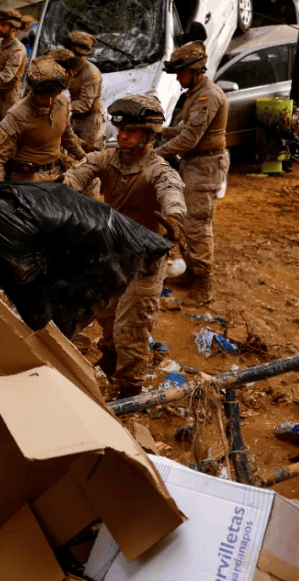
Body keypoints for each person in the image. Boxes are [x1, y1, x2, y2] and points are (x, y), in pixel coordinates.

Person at [63, 94, 186, 398]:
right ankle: (111, 359)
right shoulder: (106, 158)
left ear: (149, 135)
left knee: (131, 329)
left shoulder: (158, 169)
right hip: (112, 252)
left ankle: (130, 389)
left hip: (146, 257)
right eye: (120, 129)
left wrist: (174, 219)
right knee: (106, 314)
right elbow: (77, 175)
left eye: (131, 131)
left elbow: (171, 191)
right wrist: (64, 195)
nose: (122, 135)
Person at [154, 41, 229, 308]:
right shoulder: (195, 93)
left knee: (198, 225)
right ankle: (190, 273)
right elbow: (185, 131)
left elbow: (189, 139)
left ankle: (203, 285)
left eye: (181, 72)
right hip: (194, 164)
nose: (178, 78)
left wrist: (156, 154)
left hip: (205, 166)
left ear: (196, 70)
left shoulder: (208, 96)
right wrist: (161, 131)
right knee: (185, 222)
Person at [0, 57, 86, 182]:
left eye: (53, 96)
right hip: (29, 178)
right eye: (44, 97)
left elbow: (67, 136)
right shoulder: (17, 116)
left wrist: (84, 158)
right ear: (33, 91)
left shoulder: (62, 102)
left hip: (57, 171)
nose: (49, 101)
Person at [62, 31, 105, 153]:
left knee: (89, 157)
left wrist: (64, 106)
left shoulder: (91, 73)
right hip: (76, 117)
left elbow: (85, 104)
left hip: (90, 121)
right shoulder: (71, 67)